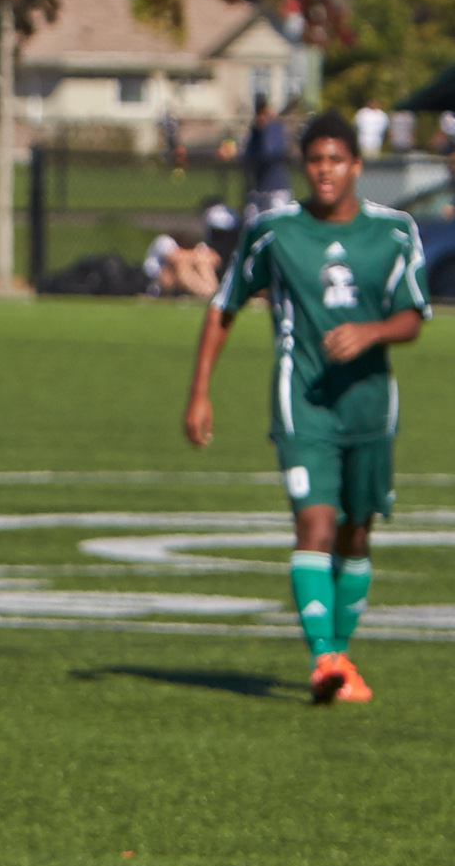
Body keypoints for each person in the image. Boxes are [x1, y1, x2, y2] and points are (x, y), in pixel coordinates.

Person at [182, 109, 427, 704]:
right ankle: (325, 661)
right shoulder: (273, 232)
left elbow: (412, 315)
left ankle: (340, 653)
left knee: (356, 532)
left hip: (370, 405)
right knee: (314, 524)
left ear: (356, 166)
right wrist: (200, 391)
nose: (324, 171)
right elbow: (225, 304)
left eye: (335, 160)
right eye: (314, 160)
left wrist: (369, 333)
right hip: (303, 402)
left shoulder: (394, 232)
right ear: (304, 166)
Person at [242, 99, 292, 216]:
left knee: (279, 223)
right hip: (259, 189)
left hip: (277, 188)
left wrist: (267, 128)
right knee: (254, 223)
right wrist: (259, 130)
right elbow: (248, 156)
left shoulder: (275, 128)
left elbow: (269, 153)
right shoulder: (255, 132)